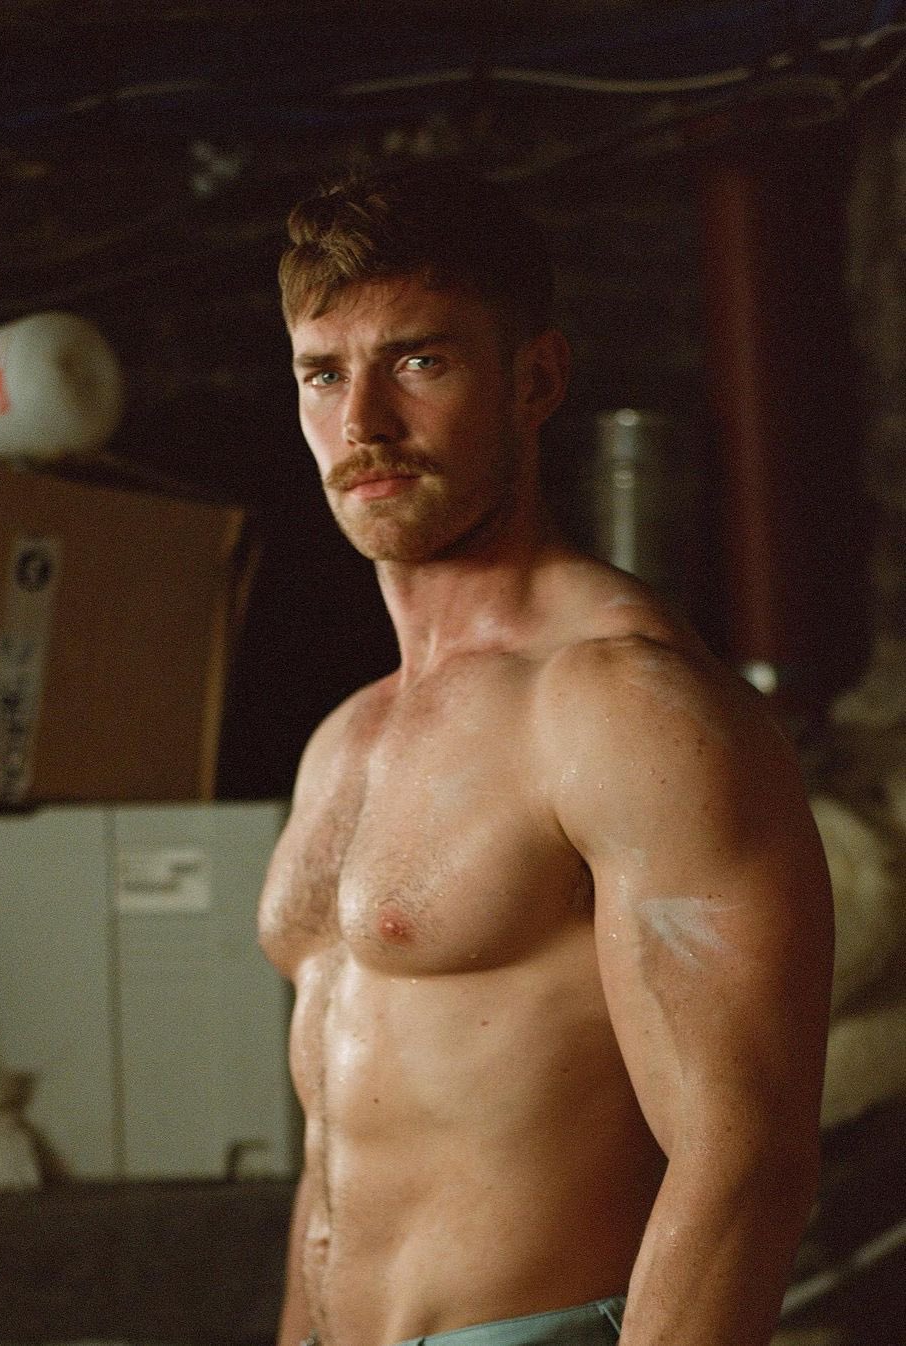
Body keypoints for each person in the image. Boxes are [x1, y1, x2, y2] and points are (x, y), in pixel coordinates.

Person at [258, 166, 834, 1346]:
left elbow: (747, 1161)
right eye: (324, 373)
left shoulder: (620, 706)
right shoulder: (345, 739)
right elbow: (334, 1152)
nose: (363, 423)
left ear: (537, 379)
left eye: (420, 360)